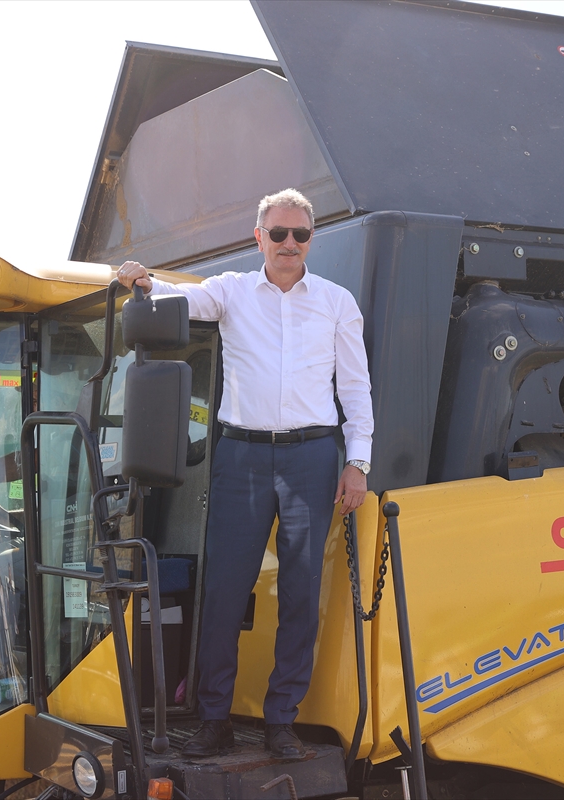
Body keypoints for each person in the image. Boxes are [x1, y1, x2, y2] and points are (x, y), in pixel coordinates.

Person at [116, 188, 374, 760]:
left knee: (301, 596)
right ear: (259, 237)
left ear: (311, 240)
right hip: (241, 458)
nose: (289, 243)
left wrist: (357, 463)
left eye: (300, 234)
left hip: (312, 458)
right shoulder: (230, 291)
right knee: (224, 592)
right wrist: (144, 282)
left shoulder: (337, 303)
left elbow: (356, 390)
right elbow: (181, 298)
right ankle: (215, 719)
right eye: (278, 233)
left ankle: (282, 722)